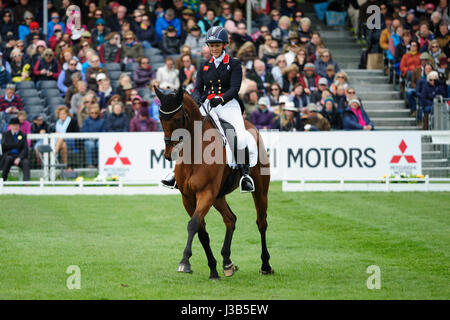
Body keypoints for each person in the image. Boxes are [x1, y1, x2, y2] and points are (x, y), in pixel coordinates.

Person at [162, 26, 254, 192]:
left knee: (239, 137)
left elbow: (235, 88)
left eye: (217, 45)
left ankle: (245, 175)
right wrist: (196, 99)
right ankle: (176, 173)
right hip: (207, 105)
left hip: (228, 104)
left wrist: (221, 98)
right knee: (188, 132)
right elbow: (198, 88)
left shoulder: (233, 64)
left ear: (224, 45)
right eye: (211, 45)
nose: (214, 48)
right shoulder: (204, 65)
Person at [0, 117, 30, 181]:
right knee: (8, 159)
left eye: (17, 125)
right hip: (9, 155)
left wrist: (19, 158)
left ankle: (27, 182)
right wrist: (16, 145)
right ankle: (3, 180)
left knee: (26, 162)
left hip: (19, 156)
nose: (15, 127)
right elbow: (4, 146)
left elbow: (25, 149)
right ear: (10, 126)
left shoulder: (23, 135)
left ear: (19, 126)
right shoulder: (5, 134)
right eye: (13, 125)